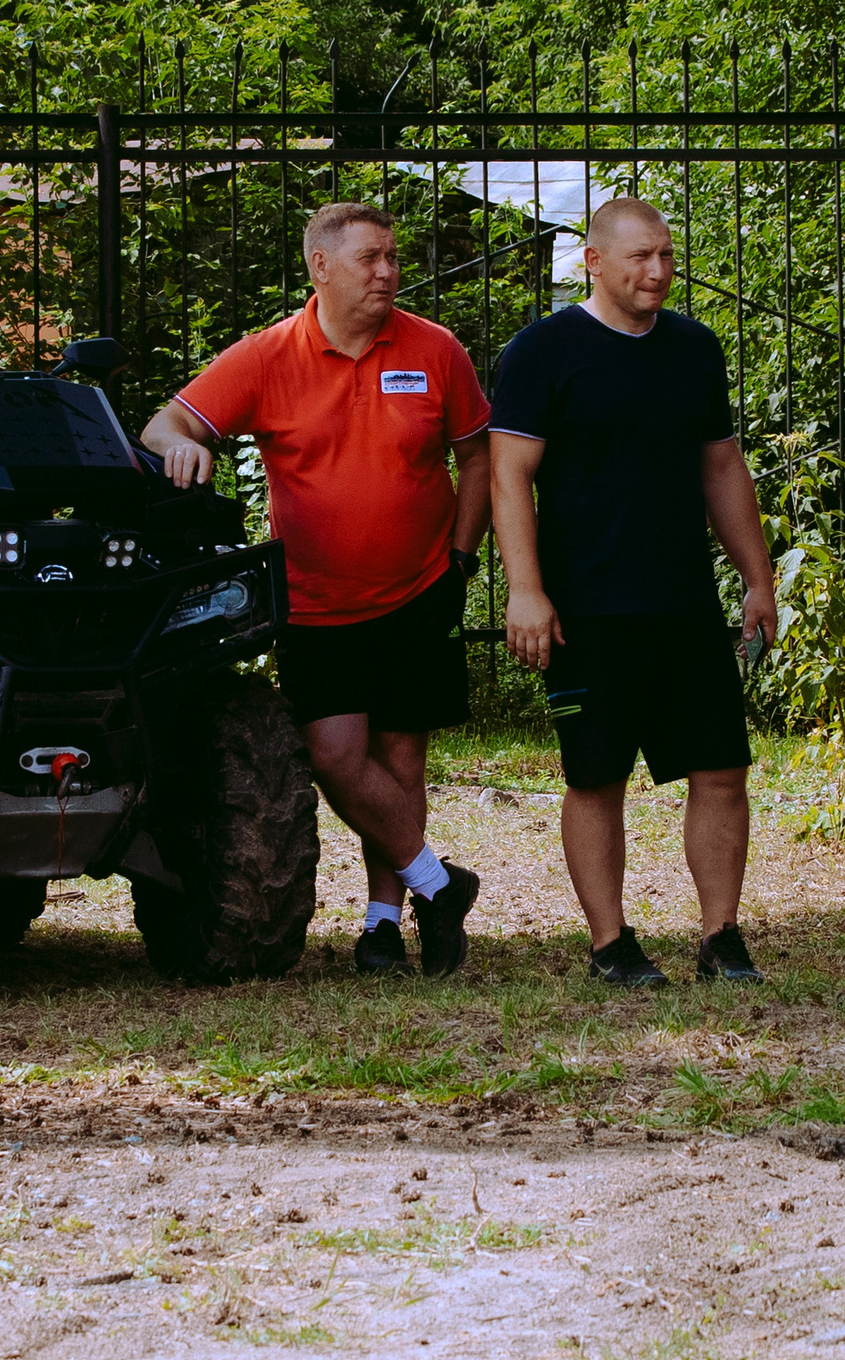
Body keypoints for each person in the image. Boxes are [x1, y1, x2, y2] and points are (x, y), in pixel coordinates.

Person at [139, 203, 490, 977]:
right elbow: (164, 426)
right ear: (320, 269)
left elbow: (479, 457)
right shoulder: (268, 357)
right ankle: (439, 883)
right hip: (315, 602)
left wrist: (462, 560)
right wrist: (182, 451)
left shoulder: (436, 350)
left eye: (393, 256)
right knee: (336, 758)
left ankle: (385, 923)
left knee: (399, 765)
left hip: (421, 588)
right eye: (370, 258)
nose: (388, 272)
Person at [489, 197, 779, 989]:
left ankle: (722, 936)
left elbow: (721, 465)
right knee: (595, 775)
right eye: (639, 258)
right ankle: (611, 943)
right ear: (593, 261)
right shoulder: (542, 351)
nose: (657, 272)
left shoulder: (694, 348)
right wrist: (525, 591)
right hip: (586, 607)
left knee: (720, 768)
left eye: (666, 257)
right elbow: (509, 476)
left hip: (684, 601)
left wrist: (757, 578)